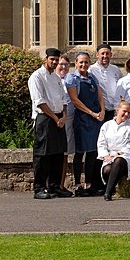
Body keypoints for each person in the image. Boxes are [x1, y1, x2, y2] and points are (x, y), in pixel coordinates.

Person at [27, 47, 69, 199]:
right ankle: (39, 188)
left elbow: (64, 99)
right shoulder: (36, 77)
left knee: (57, 154)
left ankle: (54, 186)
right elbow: (39, 102)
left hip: (58, 118)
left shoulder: (57, 78)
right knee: (43, 155)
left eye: (57, 60)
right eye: (52, 59)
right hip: (45, 118)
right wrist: (55, 118)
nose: (54, 62)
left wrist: (63, 116)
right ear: (46, 59)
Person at [65, 51, 105, 197]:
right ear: (75, 63)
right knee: (80, 152)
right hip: (81, 117)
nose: (84, 65)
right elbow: (75, 100)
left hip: (95, 118)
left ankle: (88, 184)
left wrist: (102, 110)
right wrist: (91, 113)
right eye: (81, 62)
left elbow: (100, 95)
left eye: (86, 62)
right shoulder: (72, 78)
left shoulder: (92, 76)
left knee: (93, 152)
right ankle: (77, 185)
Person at [97, 100, 130, 201]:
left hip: (128, 156)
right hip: (110, 156)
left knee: (119, 160)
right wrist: (105, 155)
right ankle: (113, 189)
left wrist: (120, 153)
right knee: (106, 170)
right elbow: (101, 143)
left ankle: (108, 192)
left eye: (129, 112)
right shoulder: (106, 126)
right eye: (124, 111)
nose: (126, 114)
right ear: (117, 110)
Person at [56, 54, 75, 195]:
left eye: (66, 65)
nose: (63, 67)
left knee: (64, 153)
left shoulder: (70, 80)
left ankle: (61, 185)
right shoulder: (51, 79)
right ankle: (50, 185)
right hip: (53, 118)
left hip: (68, 119)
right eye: (60, 64)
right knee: (52, 153)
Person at [89, 44, 122, 121]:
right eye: (102, 53)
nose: (105, 56)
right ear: (97, 55)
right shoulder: (91, 70)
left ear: (111, 55)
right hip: (99, 110)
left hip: (114, 110)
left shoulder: (115, 69)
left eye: (107, 53)